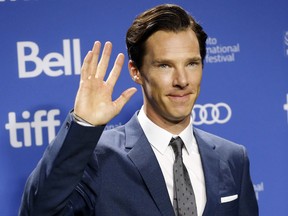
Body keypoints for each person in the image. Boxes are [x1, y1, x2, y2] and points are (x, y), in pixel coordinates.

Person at [19, 4, 258, 216]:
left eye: (192, 64)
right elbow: (40, 210)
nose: (182, 80)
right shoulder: (98, 158)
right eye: (165, 65)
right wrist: (83, 125)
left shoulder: (233, 158)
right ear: (135, 71)